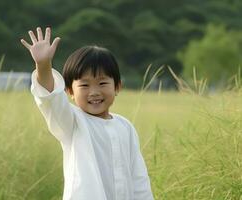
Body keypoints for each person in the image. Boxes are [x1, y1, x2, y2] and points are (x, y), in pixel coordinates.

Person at [21, 27, 154, 200]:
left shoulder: (125, 126)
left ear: (117, 87)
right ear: (69, 91)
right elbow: (50, 99)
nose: (94, 92)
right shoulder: (71, 122)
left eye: (102, 83)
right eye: (84, 85)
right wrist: (43, 65)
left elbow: (139, 178)